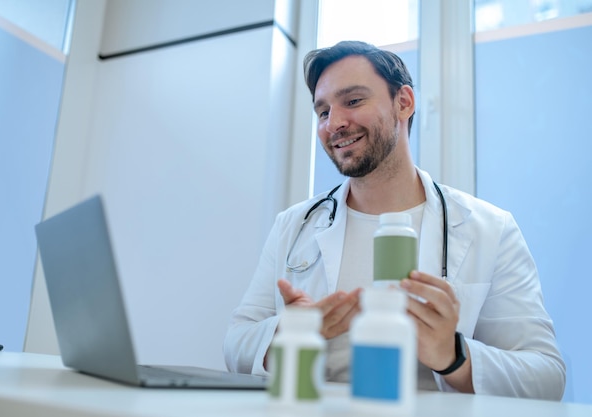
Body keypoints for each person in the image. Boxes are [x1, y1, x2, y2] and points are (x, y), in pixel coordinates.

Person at [223, 40, 565, 400]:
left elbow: (546, 378)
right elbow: (235, 344)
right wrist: (288, 331)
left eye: (353, 101)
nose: (334, 123)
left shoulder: (490, 229)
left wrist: (454, 356)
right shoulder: (294, 225)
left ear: (404, 102)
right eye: (323, 112)